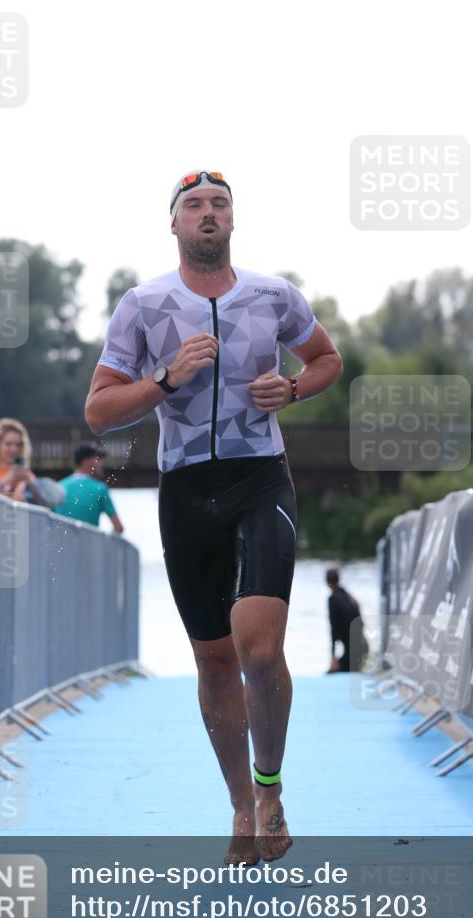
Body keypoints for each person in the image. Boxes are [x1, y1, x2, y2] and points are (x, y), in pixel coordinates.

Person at [85, 170, 343, 865]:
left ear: (232, 222)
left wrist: (291, 387)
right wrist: (165, 379)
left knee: (260, 648)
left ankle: (268, 790)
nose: (207, 213)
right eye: (193, 204)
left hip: (260, 477)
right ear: (173, 224)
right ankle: (237, 805)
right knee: (214, 660)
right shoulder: (141, 306)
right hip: (185, 490)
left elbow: (327, 358)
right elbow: (99, 411)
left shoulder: (273, 295)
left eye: (218, 204)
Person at [53, 442, 124, 532]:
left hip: (60, 545)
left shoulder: (58, 487)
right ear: (87, 461)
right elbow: (119, 528)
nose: (101, 464)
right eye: (98, 459)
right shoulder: (100, 489)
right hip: (90, 545)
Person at [326, 567, 369, 673]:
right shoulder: (347, 595)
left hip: (353, 652)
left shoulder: (333, 599)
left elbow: (333, 629)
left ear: (327, 581)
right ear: (338, 579)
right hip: (363, 647)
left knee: (331, 673)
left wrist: (333, 656)